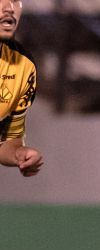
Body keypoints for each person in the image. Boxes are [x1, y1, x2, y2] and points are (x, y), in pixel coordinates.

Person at [0, 0, 42, 177]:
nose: (9, 8)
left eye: (15, 0)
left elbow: (8, 140)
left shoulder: (24, 66)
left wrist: (18, 154)